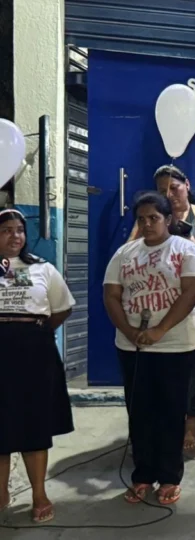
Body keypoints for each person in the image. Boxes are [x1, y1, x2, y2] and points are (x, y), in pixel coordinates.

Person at [104, 192, 195, 506]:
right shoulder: (125, 253)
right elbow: (111, 295)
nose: (148, 224)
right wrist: (130, 332)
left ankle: (170, 476)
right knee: (140, 412)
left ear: (168, 219)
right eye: (142, 219)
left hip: (176, 346)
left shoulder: (184, 249)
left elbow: (192, 292)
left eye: (154, 218)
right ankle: (143, 475)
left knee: (170, 412)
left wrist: (160, 330)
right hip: (133, 346)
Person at [131, 165, 195, 451]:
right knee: (158, 366)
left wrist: (192, 245)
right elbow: (129, 251)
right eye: (162, 190)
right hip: (156, 303)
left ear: (187, 185)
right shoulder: (151, 218)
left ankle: (191, 425)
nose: (170, 194)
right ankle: (161, 422)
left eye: (174, 187)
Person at [0, 209, 75, 523]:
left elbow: (62, 308)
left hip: (34, 357)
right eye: (6, 230)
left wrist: (35, 333)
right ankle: (1, 492)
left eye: (19, 230)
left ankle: (39, 494)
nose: (15, 236)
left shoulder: (43, 269)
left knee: (34, 426)